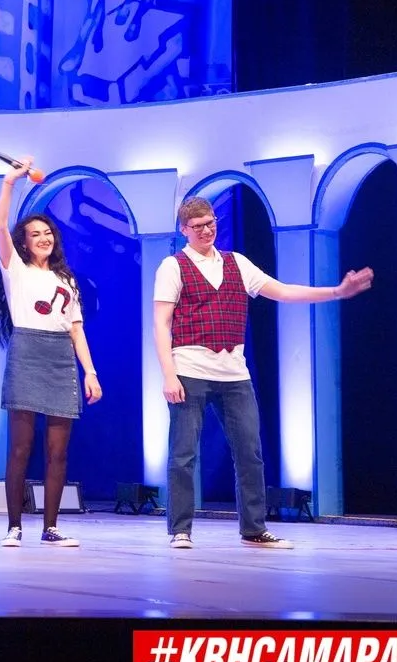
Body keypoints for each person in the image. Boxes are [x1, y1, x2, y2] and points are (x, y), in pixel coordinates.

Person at [154, 196, 374, 550]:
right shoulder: (173, 266)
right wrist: (168, 374)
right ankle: (181, 529)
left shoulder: (236, 262)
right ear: (184, 230)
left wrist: (337, 291)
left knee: (250, 452)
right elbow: (161, 323)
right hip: (189, 368)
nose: (207, 231)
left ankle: (254, 528)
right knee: (183, 454)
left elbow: (283, 291)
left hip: (234, 373)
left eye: (210, 223)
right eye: (198, 227)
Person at [0, 157, 102, 548]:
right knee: (20, 448)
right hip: (27, 352)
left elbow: (76, 329)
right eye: (35, 234)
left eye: (48, 232)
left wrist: (90, 372)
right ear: (24, 242)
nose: (43, 238)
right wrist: (10, 182)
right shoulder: (15, 269)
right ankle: (14, 526)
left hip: (60, 360)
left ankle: (50, 526)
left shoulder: (66, 279)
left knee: (58, 452)